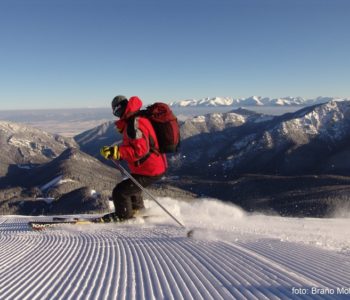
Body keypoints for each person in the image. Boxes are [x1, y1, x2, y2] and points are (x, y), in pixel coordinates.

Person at [99, 95, 168, 222]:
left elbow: (140, 150)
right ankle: (137, 210)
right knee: (132, 188)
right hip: (149, 166)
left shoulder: (134, 123)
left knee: (120, 192)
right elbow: (134, 145)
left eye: (116, 111)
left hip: (150, 168)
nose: (116, 114)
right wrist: (115, 151)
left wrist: (117, 152)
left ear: (120, 108)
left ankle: (123, 216)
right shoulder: (135, 119)